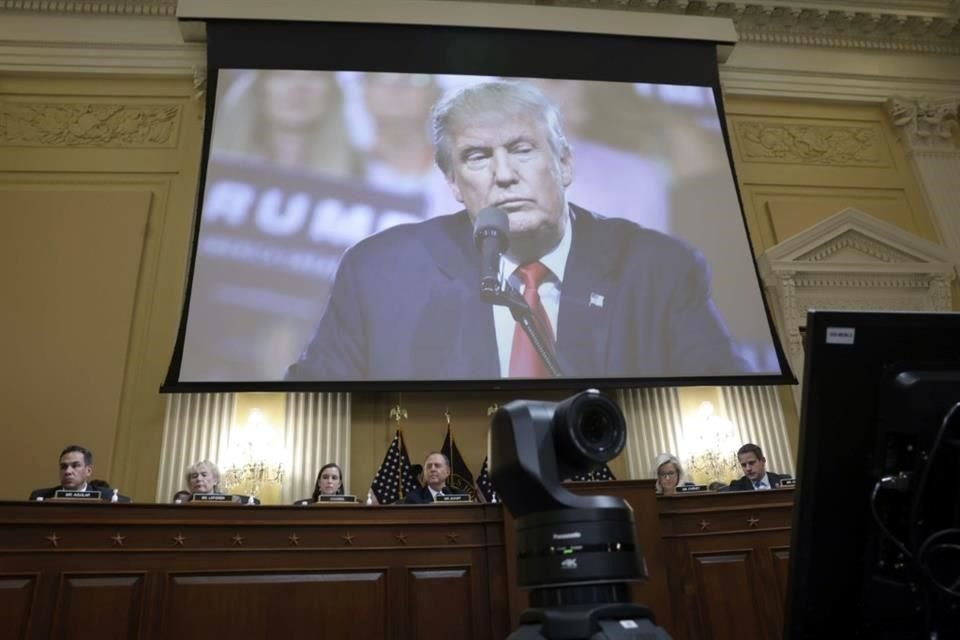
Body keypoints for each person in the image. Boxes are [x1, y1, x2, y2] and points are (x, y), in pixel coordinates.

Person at [286, 79, 748, 380]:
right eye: (477, 157)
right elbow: (314, 392)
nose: (503, 175)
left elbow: (718, 388)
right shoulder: (380, 273)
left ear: (565, 164)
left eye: (522, 149)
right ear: (453, 183)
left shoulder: (658, 269)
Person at [727, 443, 791, 491]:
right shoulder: (737, 487)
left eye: (751, 463)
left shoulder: (783, 480)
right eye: (744, 465)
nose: (748, 468)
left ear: (763, 461)